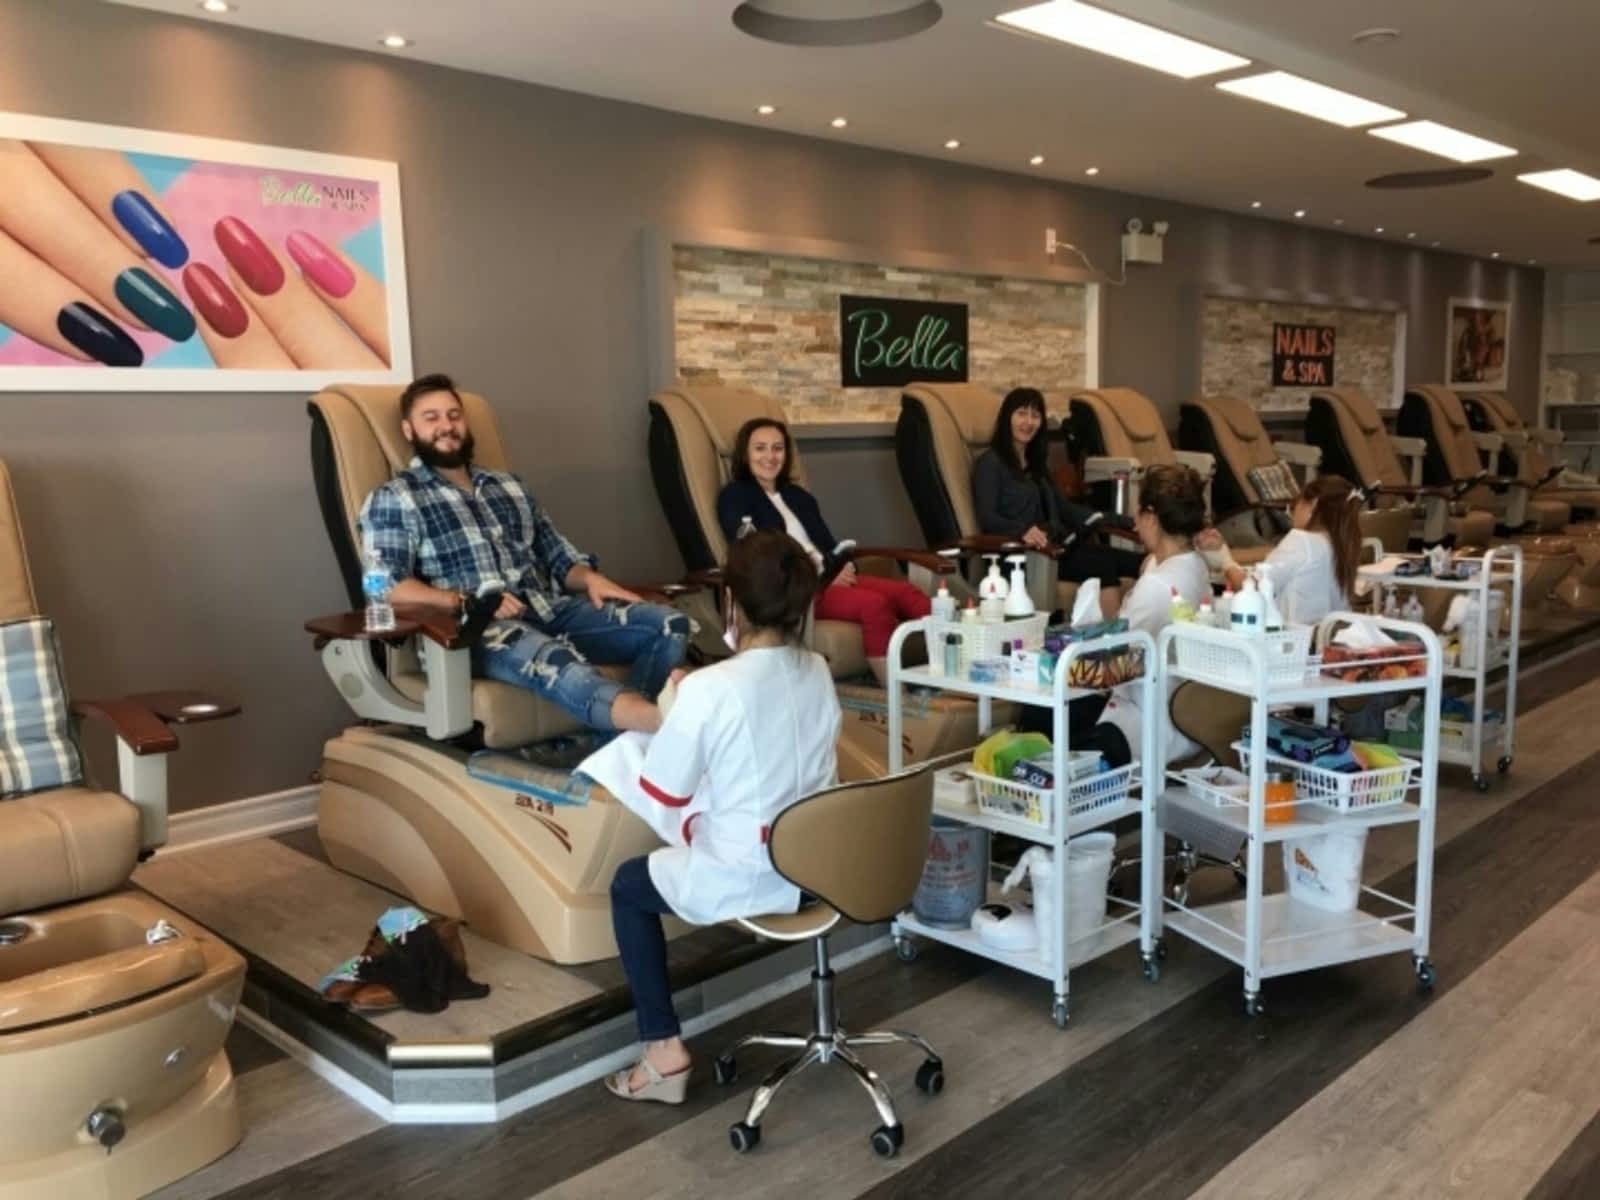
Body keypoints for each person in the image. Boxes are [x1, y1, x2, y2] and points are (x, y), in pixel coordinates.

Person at [585, 530, 842, 1104]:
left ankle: (663, 1052)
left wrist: (678, 709)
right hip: (820, 870)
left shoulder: (709, 688)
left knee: (628, 885)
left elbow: (666, 792)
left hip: (751, 874)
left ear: (731, 602)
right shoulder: (818, 669)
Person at [358, 373, 690, 735]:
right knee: (557, 660)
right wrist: (466, 601)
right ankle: (660, 723)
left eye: (454, 415)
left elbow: (557, 555)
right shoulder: (395, 497)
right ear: (408, 430)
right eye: (431, 417)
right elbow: (385, 585)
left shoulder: (509, 486)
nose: (446, 426)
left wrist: (592, 579)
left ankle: (623, 745)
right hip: (474, 630)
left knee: (669, 624)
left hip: (547, 609)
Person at [717, 416, 930, 684]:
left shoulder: (798, 496)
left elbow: (829, 544)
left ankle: (953, 670)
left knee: (908, 594)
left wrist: (843, 565)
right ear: (745, 454)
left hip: (829, 578)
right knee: (875, 605)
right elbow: (758, 554)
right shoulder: (736, 496)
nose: (770, 456)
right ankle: (894, 693)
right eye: (760, 448)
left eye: (777, 448)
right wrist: (822, 574)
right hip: (796, 589)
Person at [971, 387, 1144, 615]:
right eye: (1021, 413)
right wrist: (1022, 531)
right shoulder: (990, 463)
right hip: (1024, 556)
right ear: (1007, 418)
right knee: (1103, 568)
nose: (1029, 422)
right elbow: (987, 517)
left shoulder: (1036, 464)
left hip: (1057, 548)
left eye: (1035, 415)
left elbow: (1065, 509)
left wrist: (1127, 522)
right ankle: (1111, 636)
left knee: (1136, 561)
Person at [1082, 464, 1212, 767]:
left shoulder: (1156, 587)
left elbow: (1112, 657)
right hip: (1184, 714)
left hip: (1146, 723)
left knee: (1043, 714)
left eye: (1138, 514)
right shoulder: (1195, 565)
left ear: (1151, 517)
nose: (1135, 523)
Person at [1196, 474, 1360, 627]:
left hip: (1296, 639)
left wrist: (1224, 559)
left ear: (1313, 505)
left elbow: (1250, 588)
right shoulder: (1343, 544)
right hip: (1329, 637)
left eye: (1295, 505)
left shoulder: (1302, 541)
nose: (1292, 513)